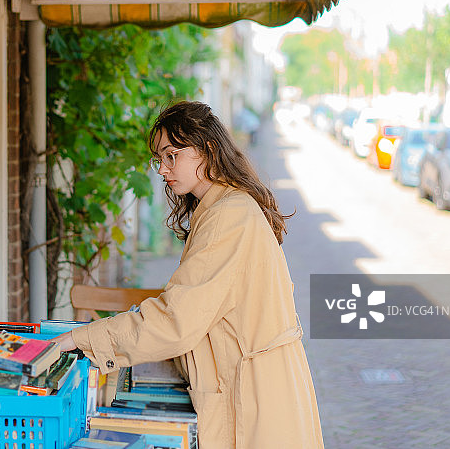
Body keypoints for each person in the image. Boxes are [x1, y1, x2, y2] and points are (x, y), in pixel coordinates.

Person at [53, 101, 324, 448]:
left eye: (172, 155)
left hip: (257, 400)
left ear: (207, 150)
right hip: (260, 388)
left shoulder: (227, 216)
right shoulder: (225, 206)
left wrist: (80, 339)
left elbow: (175, 321)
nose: (163, 169)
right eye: (159, 159)